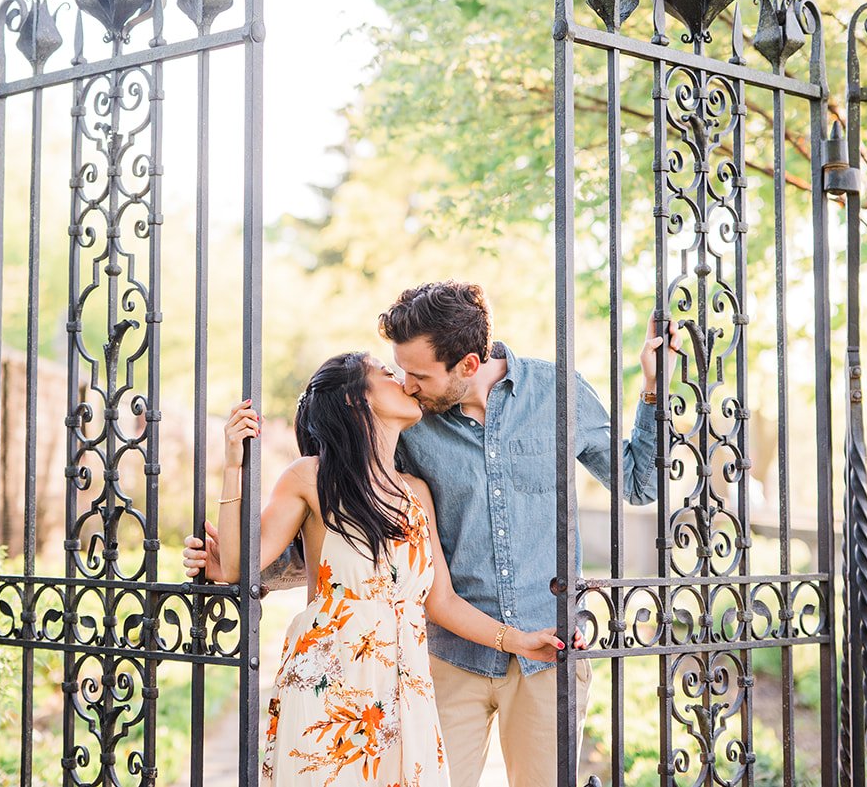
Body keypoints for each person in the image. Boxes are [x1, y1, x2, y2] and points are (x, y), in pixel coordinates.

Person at [188, 282, 672, 787]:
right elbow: (352, 524)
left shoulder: (557, 394)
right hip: (442, 660)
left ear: (466, 364)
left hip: (545, 652)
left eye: (418, 375)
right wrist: (246, 567)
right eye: (398, 372)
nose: (408, 384)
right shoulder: (406, 425)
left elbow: (640, 482)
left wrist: (653, 389)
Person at [208, 351, 564, 787]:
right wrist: (232, 466)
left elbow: (442, 601)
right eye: (386, 374)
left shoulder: (416, 491)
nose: (404, 381)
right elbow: (235, 566)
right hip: (329, 683)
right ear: (356, 400)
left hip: (405, 690)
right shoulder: (309, 477)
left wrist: (519, 641)